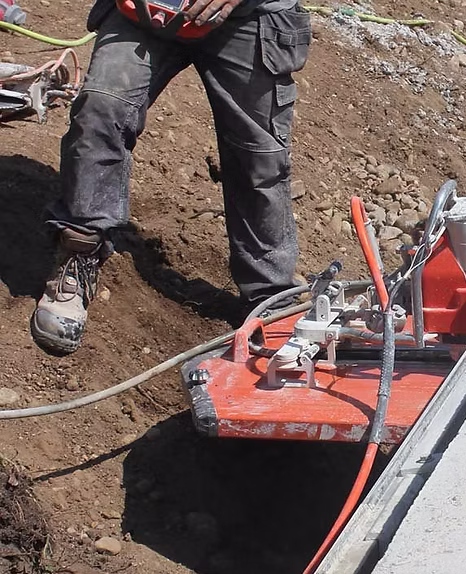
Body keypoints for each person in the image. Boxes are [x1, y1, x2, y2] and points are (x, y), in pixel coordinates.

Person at [30, 0, 311, 354]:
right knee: (102, 110)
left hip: (249, 16)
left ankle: (270, 294)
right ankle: (79, 253)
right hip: (145, 13)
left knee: (258, 157)